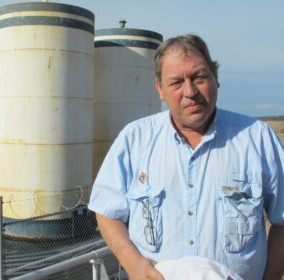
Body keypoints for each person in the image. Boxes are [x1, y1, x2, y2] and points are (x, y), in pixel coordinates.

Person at [88, 34, 284, 280]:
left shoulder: (257, 139)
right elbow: (107, 212)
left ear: (216, 78)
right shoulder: (135, 139)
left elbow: (282, 218)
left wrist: (272, 275)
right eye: (176, 82)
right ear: (160, 89)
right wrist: (135, 264)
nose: (190, 91)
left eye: (199, 77)